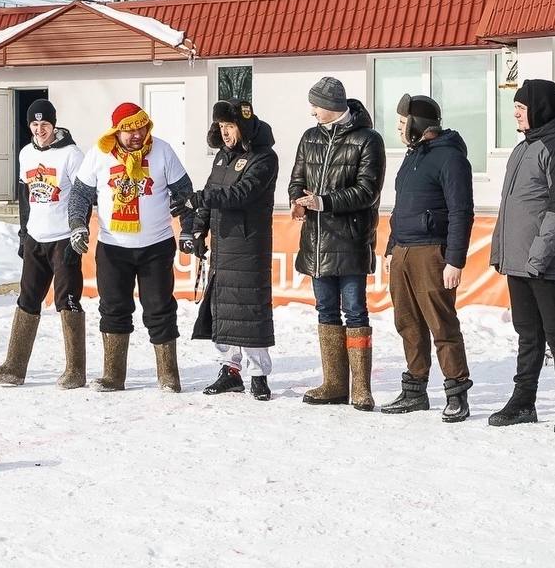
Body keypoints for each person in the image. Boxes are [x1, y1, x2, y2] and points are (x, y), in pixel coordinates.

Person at [65, 102, 194, 392]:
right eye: (128, 129)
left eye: (141, 127)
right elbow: (80, 196)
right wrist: (77, 225)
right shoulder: (98, 153)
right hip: (113, 248)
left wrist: (188, 230)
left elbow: (185, 195)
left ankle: (169, 375)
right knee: (113, 308)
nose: (136, 134)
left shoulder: (163, 151)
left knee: (159, 308)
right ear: (116, 131)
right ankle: (113, 375)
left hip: (156, 246)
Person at [489, 79, 555, 432]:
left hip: (550, 263)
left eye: (522, 106)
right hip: (520, 261)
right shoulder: (523, 148)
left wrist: (539, 257)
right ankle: (523, 401)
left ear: (541, 108)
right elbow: (509, 207)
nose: (515, 112)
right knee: (528, 334)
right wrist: (501, 249)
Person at [289, 77, 386, 411]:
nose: (312, 111)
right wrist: (297, 200)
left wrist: (323, 202)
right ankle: (334, 383)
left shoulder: (367, 140)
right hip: (316, 241)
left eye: (316, 105)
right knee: (325, 309)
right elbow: (297, 179)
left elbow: (367, 191)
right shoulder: (310, 137)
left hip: (350, 240)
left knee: (355, 310)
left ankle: (361, 388)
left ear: (331, 106)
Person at [381, 95, 475, 421]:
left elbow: (462, 212)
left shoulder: (450, 159)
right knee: (407, 323)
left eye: (401, 124)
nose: (398, 130)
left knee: (441, 323)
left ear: (416, 126)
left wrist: (456, 260)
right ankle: (414, 390)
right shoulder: (412, 157)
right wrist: (391, 248)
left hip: (432, 252)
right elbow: (401, 208)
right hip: (404, 251)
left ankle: (456, 390)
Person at [178, 100, 279, 401]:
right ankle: (230, 370)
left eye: (230, 126)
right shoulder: (222, 158)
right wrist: (198, 229)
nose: (224, 133)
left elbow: (241, 193)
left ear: (243, 127)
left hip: (249, 244)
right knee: (223, 308)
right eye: (221, 127)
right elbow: (211, 194)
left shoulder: (264, 158)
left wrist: (200, 198)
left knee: (249, 309)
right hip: (223, 246)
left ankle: (259, 374)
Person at [0, 99, 88, 389]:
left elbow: (82, 196)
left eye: (45, 124)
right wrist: (23, 233)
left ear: (54, 125)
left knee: (67, 299)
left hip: (63, 239)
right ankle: (14, 367)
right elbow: (24, 196)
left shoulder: (71, 154)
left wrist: (76, 231)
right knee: (27, 299)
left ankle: (75, 370)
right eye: (34, 124)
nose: (40, 129)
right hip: (36, 238)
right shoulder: (26, 153)